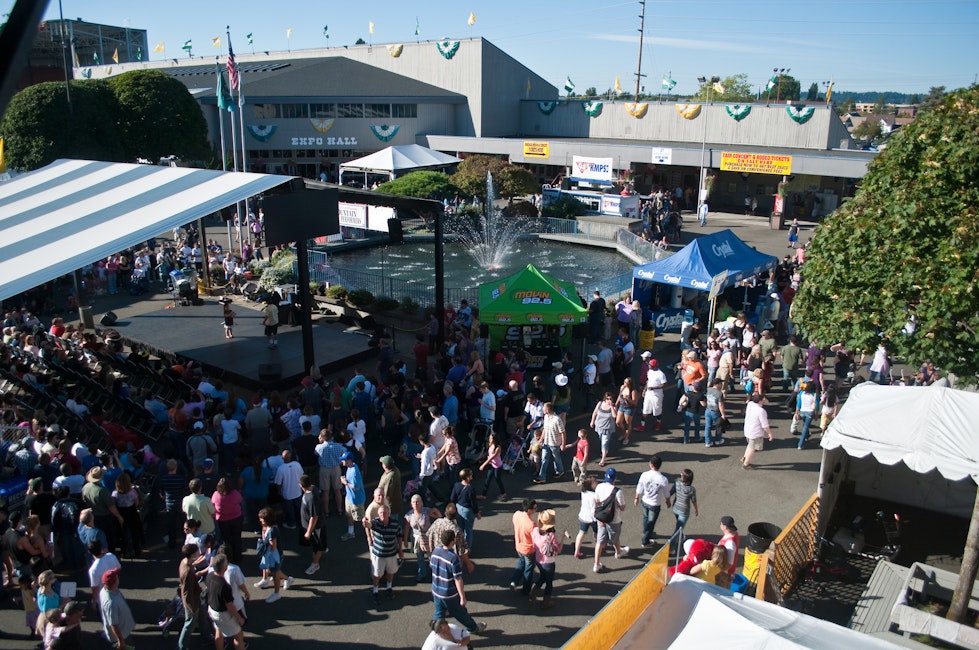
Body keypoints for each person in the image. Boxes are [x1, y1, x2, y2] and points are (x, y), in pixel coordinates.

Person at [430, 528, 487, 635]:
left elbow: (432, 566)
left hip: (436, 591)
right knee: (461, 613)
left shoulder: (435, 551)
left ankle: (436, 633)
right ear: (453, 541)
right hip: (449, 593)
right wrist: (462, 597)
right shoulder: (453, 558)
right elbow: (458, 579)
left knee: (439, 614)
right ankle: (473, 627)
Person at [365, 503, 404, 605]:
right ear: (378, 514)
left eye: (385, 513)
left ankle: (389, 587)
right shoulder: (376, 522)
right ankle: (375, 590)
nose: (383, 514)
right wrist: (365, 523)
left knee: (391, 572)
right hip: (378, 555)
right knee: (377, 574)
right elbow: (369, 525)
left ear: (389, 513)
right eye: (381, 513)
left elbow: (399, 535)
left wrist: (400, 550)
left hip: (391, 554)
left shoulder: (395, 524)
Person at [529, 509, 568, 610]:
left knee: (543, 576)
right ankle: (546, 602)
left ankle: (533, 594)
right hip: (549, 562)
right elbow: (558, 550)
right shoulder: (551, 536)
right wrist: (563, 538)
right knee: (549, 582)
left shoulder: (535, 531)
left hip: (538, 559)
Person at [207, 553, 247, 650]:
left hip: (213, 610)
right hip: (224, 615)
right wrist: (239, 618)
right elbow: (230, 605)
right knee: (238, 636)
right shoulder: (224, 586)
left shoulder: (210, 576)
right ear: (224, 568)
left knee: (218, 631)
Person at [593, 467, 629, 573]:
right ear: (615, 478)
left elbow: (597, 500)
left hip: (601, 518)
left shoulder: (599, 487)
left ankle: (596, 564)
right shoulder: (618, 492)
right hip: (614, 519)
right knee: (615, 537)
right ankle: (618, 552)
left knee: (599, 541)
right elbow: (622, 507)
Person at [253, 507, 293, 603]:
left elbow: (273, 546)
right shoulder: (267, 527)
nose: (260, 520)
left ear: (267, 520)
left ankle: (278, 591)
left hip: (274, 556)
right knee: (267, 567)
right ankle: (265, 580)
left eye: (262, 519)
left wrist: (263, 545)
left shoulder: (272, 531)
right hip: (269, 554)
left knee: (275, 573)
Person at [635, 455, 671, 548]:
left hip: (645, 500)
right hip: (655, 504)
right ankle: (645, 540)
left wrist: (636, 497)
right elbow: (666, 493)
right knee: (651, 522)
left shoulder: (644, 475)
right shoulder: (663, 479)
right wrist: (668, 501)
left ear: (651, 465)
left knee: (646, 518)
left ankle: (646, 532)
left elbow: (639, 486)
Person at [298, 474, 328, 575]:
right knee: (317, 545)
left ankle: (315, 564)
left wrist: (308, 531)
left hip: (315, 528)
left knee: (318, 547)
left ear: (301, 485)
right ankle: (320, 552)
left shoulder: (311, 498)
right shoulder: (313, 489)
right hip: (312, 526)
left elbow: (314, 517)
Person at [98, 568, 134, 650]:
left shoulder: (106, 590)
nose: (118, 577)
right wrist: (120, 641)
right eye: (117, 577)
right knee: (130, 648)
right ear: (115, 582)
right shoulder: (111, 603)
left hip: (123, 631)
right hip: (122, 635)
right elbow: (114, 624)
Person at [177, 543, 204, 650]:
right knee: (189, 623)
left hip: (196, 597)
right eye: (197, 551)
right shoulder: (187, 571)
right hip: (192, 601)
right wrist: (192, 608)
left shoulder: (184, 562)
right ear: (192, 554)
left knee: (202, 617)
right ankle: (182, 647)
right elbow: (187, 592)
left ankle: (206, 637)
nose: (198, 552)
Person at [212, 477, 244, 565]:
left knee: (226, 540)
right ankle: (237, 557)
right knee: (237, 538)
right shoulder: (235, 493)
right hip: (236, 518)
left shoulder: (216, 495)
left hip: (222, 520)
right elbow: (240, 501)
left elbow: (213, 505)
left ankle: (229, 557)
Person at [404, 494, 435, 583]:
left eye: (418, 502)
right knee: (420, 557)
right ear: (411, 504)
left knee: (431, 556)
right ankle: (422, 573)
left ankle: (435, 573)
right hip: (416, 538)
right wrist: (405, 540)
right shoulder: (409, 514)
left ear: (421, 503)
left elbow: (438, 516)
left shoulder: (426, 511)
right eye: (414, 502)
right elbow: (407, 528)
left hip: (427, 537)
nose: (416, 503)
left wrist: (435, 510)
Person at [534, 402, 566, 484]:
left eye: (544, 409)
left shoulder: (557, 419)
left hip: (555, 443)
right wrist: (540, 440)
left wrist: (563, 444)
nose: (543, 410)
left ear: (548, 410)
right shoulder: (546, 417)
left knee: (556, 458)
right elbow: (544, 429)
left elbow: (563, 432)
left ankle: (560, 471)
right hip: (546, 442)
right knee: (544, 459)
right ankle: (542, 477)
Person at [449, 469, 481, 549]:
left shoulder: (456, 485)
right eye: (470, 475)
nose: (472, 476)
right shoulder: (471, 489)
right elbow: (473, 503)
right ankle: (467, 549)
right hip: (467, 511)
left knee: (460, 529)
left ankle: (459, 546)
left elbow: (452, 498)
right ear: (467, 477)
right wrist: (477, 513)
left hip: (458, 508)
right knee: (468, 531)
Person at [742, 393, 774, 469]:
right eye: (763, 398)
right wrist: (770, 434)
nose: (765, 399)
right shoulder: (761, 411)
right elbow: (765, 425)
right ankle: (746, 464)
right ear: (760, 401)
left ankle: (745, 458)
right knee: (753, 448)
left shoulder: (750, 404)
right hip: (755, 432)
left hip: (748, 430)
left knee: (750, 445)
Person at [274, 450, 304, 529]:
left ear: (282, 458)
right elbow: (302, 475)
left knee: (289, 510)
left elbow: (278, 483)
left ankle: (291, 524)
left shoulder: (280, 469)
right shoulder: (297, 464)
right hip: (298, 491)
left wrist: (279, 491)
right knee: (299, 508)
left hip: (287, 494)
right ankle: (301, 521)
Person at [340, 451, 365, 541]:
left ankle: (370, 532)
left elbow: (356, 488)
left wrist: (345, 483)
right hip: (349, 498)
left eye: (343, 460)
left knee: (362, 518)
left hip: (356, 500)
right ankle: (351, 532)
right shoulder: (351, 467)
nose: (342, 461)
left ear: (349, 460)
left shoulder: (354, 471)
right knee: (349, 515)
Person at [670, 469, 699, 544]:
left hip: (675, 508)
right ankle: (671, 545)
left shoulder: (677, 484)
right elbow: (694, 501)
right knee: (678, 529)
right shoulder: (691, 489)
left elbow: (670, 493)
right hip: (684, 512)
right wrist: (696, 509)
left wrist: (667, 501)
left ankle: (681, 535)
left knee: (679, 525)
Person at [573, 476, 598, 559]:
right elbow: (593, 509)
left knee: (581, 533)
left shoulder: (583, 492)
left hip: (583, 516)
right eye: (594, 482)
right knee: (597, 532)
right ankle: (599, 544)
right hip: (593, 518)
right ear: (590, 485)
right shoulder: (594, 495)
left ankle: (576, 551)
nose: (596, 482)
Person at [639, 359, 667, 432]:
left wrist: (654, 388)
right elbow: (648, 381)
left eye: (650, 365)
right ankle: (642, 425)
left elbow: (664, 385)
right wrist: (644, 390)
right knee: (645, 409)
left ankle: (658, 423)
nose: (649, 366)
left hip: (657, 395)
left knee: (657, 409)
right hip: (648, 394)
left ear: (655, 366)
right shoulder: (649, 371)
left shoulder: (660, 374)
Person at [590, 392, 617, 467]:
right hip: (599, 426)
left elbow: (614, 416)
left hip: (607, 428)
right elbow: (595, 412)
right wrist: (592, 421)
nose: (609, 400)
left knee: (604, 443)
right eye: (607, 399)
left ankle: (603, 459)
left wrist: (611, 407)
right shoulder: (600, 403)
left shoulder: (613, 406)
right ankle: (604, 451)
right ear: (605, 398)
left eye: (610, 399)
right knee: (601, 439)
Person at [478, 432, 507, 501]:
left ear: (494, 440)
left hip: (498, 466)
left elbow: (492, 457)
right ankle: (483, 495)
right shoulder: (490, 445)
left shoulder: (498, 448)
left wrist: (483, 465)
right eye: (489, 438)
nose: (489, 439)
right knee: (488, 479)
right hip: (491, 465)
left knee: (498, 479)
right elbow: (489, 454)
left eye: (491, 438)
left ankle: (503, 493)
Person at [703, 377, 728, 447]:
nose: (721, 385)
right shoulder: (719, 393)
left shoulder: (708, 390)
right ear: (717, 384)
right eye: (721, 383)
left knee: (707, 427)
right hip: (716, 412)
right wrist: (723, 414)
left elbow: (703, 397)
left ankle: (708, 442)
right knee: (718, 426)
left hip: (708, 410)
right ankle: (718, 440)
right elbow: (720, 405)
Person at [795, 382, 821, 449]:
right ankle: (800, 444)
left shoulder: (802, 393)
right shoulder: (814, 395)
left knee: (805, 425)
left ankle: (806, 436)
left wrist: (796, 413)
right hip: (810, 412)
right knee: (805, 427)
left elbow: (798, 404)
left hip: (802, 412)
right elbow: (817, 406)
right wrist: (816, 415)